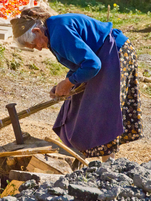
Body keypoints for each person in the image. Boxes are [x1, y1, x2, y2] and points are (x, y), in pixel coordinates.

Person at [10, 8, 143, 162]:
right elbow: (79, 63)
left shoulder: (59, 33)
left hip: (115, 53)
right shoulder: (53, 31)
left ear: (37, 31)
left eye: (34, 45)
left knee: (103, 108)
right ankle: (79, 156)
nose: (38, 49)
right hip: (104, 55)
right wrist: (65, 84)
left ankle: (109, 165)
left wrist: (68, 83)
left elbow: (92, 64)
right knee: (76, 104)